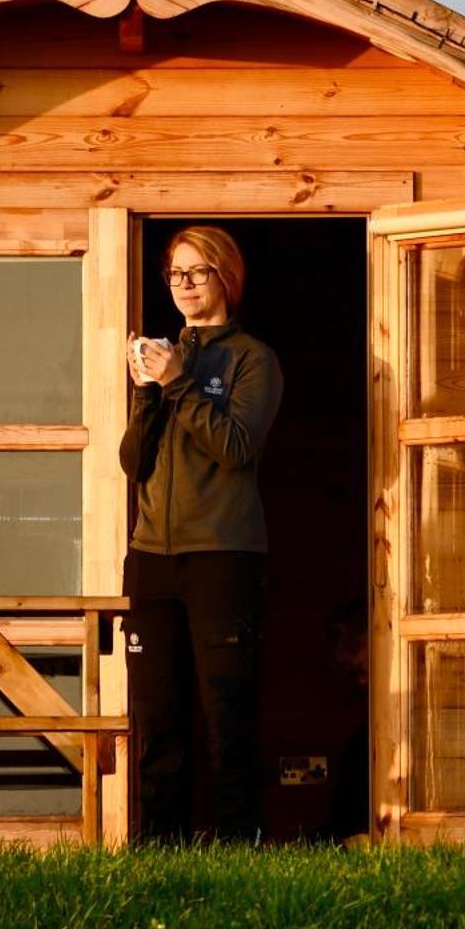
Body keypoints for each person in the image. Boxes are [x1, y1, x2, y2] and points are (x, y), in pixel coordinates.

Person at [118, 225, 283, 841]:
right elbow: (133, 463)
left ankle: (240, 852)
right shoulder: (166, 359)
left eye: (198, 272)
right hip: (152, 557)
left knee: (226, 715)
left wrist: (178, 381)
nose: (184, 286)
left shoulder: (252, 359)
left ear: (226, 278)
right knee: (157, 718)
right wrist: (146, 394)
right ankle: (158, 852)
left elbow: (236, 448)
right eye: (175, 275)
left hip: (223, 554)